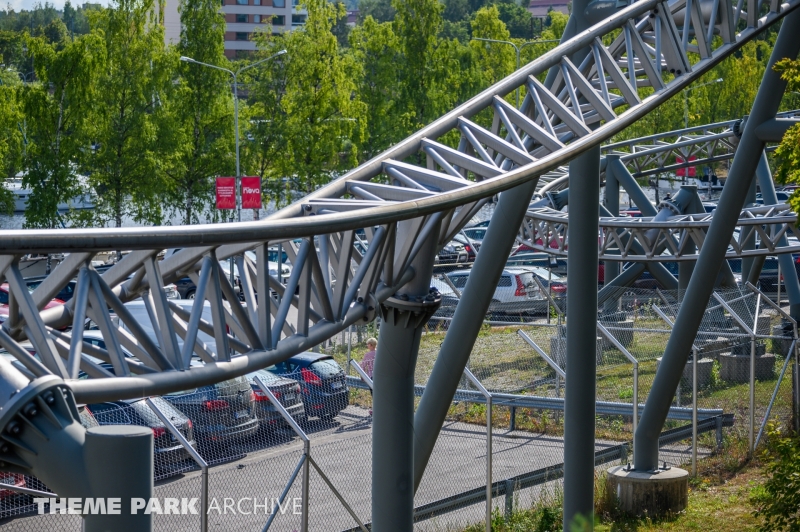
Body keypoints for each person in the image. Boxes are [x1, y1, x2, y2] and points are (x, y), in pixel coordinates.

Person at [362, 338, 377, 416]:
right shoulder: (379, 353)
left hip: (371, 376)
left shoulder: (367, 355)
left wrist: (362, 375)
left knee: (374, 394)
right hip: (380, 376)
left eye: (368, 344)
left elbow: (363, 366)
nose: (367, 346)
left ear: (371, 345)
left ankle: (375, 410)